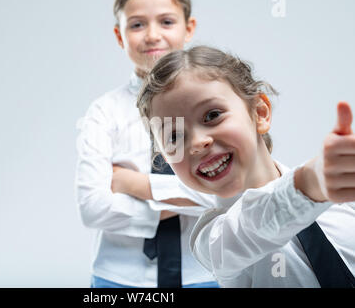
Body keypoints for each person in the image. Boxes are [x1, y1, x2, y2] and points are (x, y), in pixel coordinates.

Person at [130, 45, 355, 287]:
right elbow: (257, 224)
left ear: (259, 112)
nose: (197, 143)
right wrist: (309, 186)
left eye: (212, 115)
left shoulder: (340, 193)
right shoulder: (213, 240)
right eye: (174, 137)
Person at [75, 0, 219, 288]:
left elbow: (225, 194)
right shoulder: (104, 111)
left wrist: (134, 185)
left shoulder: (214, 104)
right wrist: (192, 193)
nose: (152, 35)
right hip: (118, 278)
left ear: (188, 28)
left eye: (166, 22)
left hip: (204, 273)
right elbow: (93, 207)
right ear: (119, 35)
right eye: (137, 24)